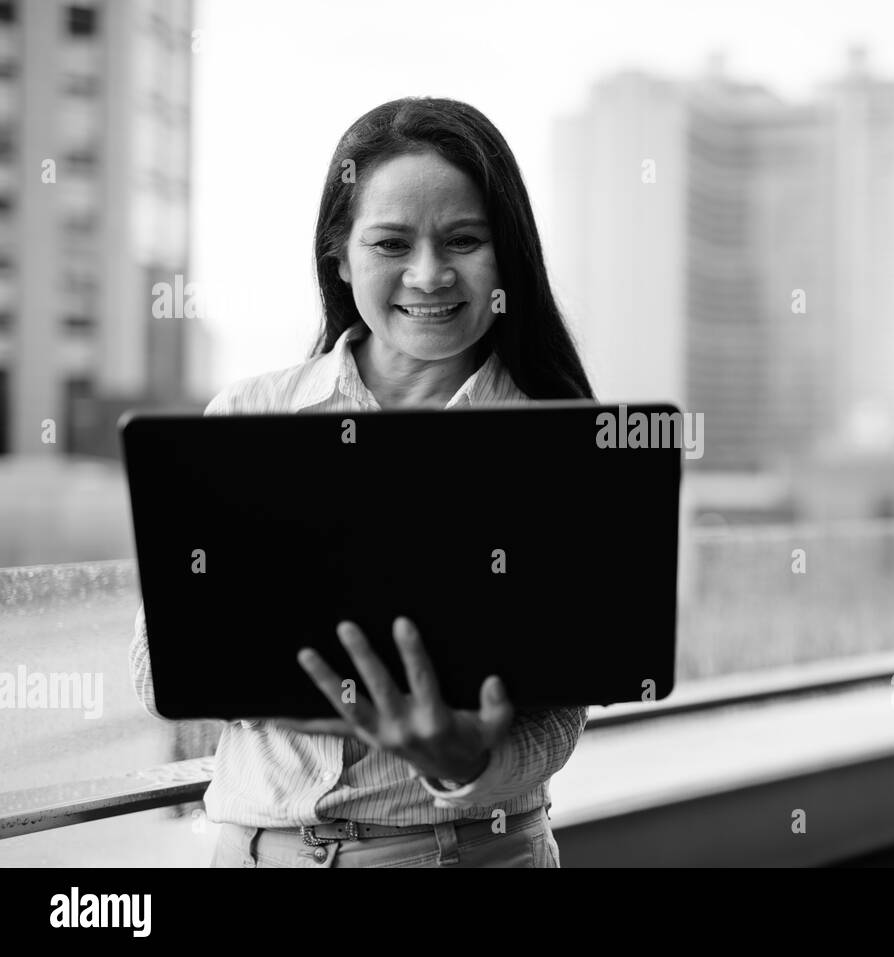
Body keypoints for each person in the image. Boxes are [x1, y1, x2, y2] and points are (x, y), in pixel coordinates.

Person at [128, 96, 596, 868]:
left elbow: (562, 713)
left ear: (506, 255)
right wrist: (339, 703)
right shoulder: (249, 415)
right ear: (341, 259)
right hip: (251, 852)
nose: (429, 273)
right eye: (390, 242)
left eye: (465, 240)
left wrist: (463, 758)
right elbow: (162, 672)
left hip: (466, 854)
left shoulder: (559, 440)